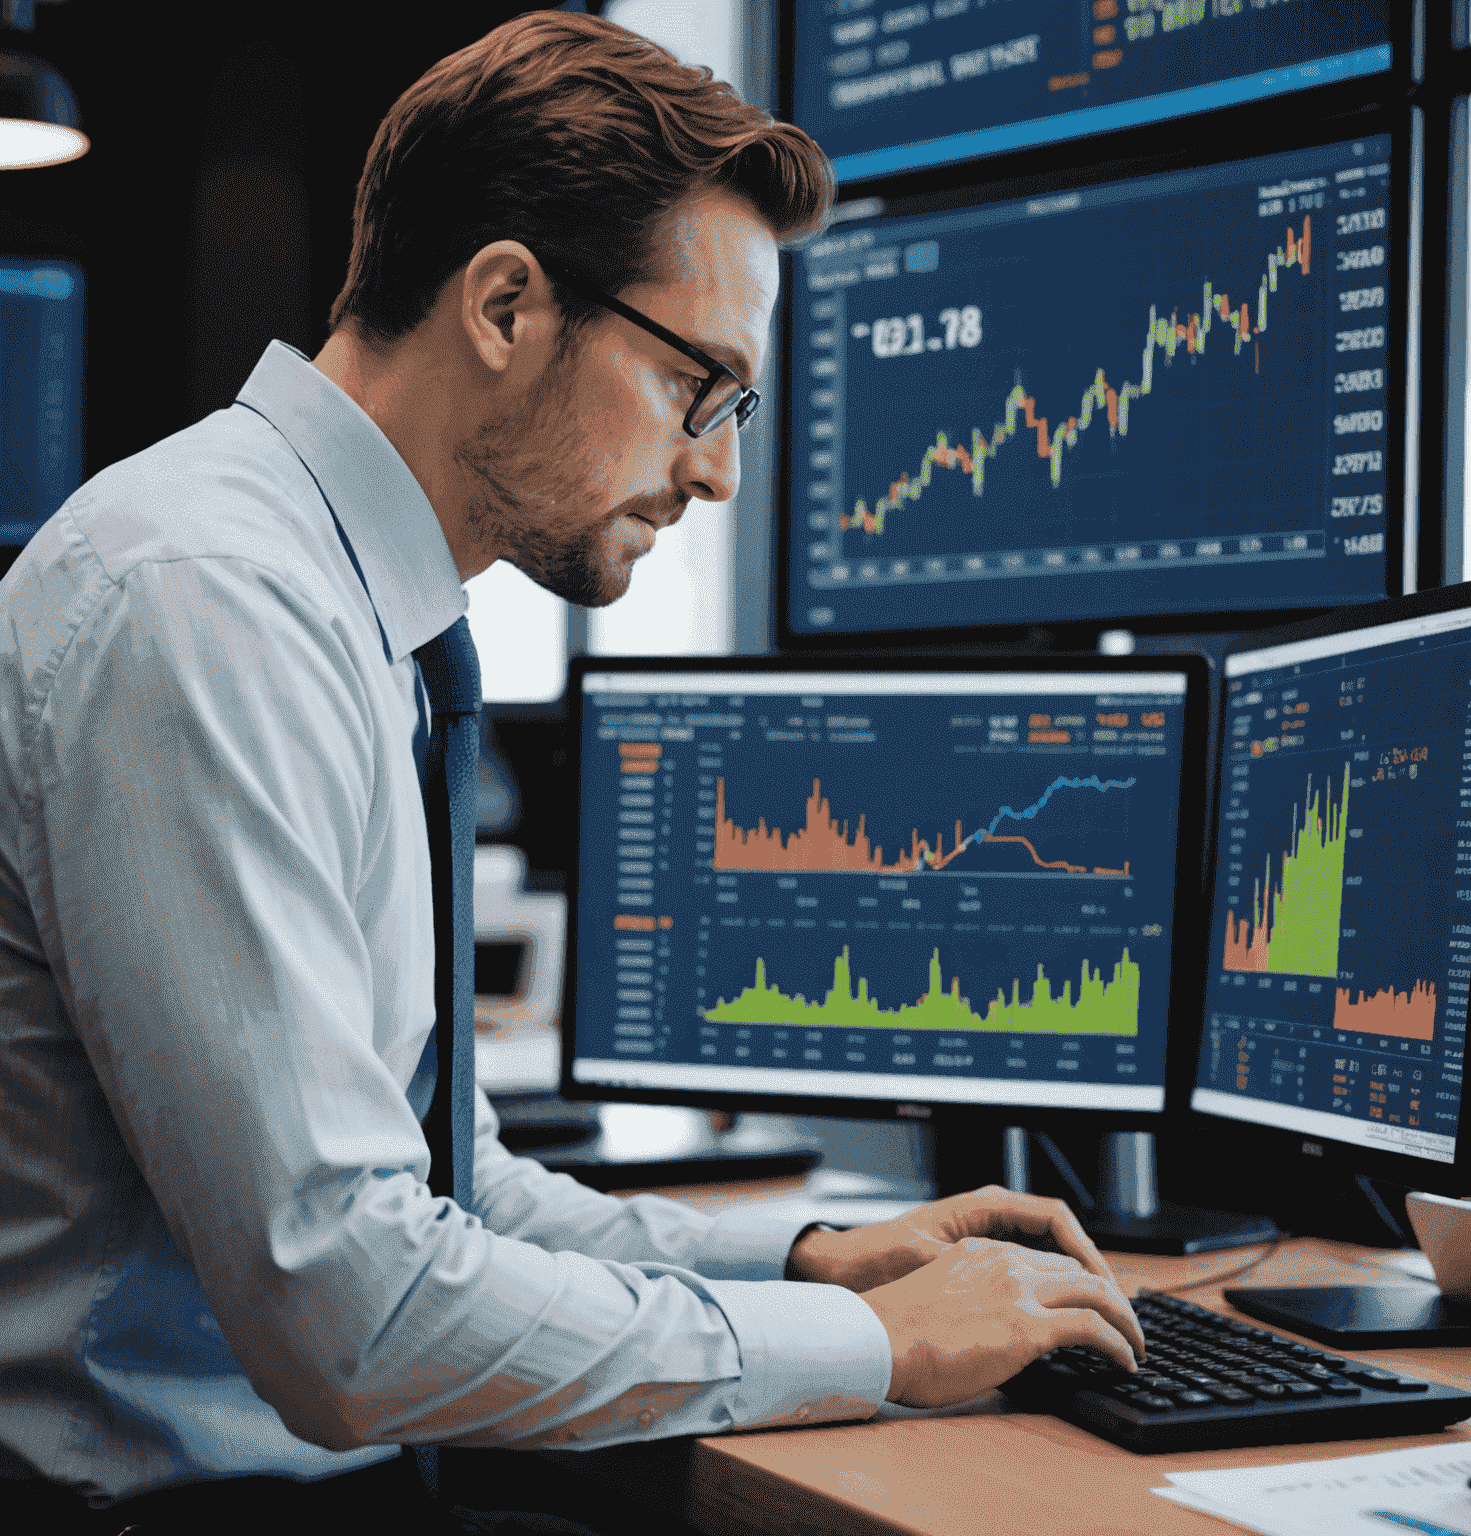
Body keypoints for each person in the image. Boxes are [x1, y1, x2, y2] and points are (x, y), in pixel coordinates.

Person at [0, 12, 1144, 1534]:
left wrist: (807, 1265)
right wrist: (878, 1347)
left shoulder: (347, 609)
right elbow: (352, 1315)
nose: (721, 470)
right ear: (504, 304)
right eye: (702, 389)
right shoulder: (206, 603)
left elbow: (443, 1192)